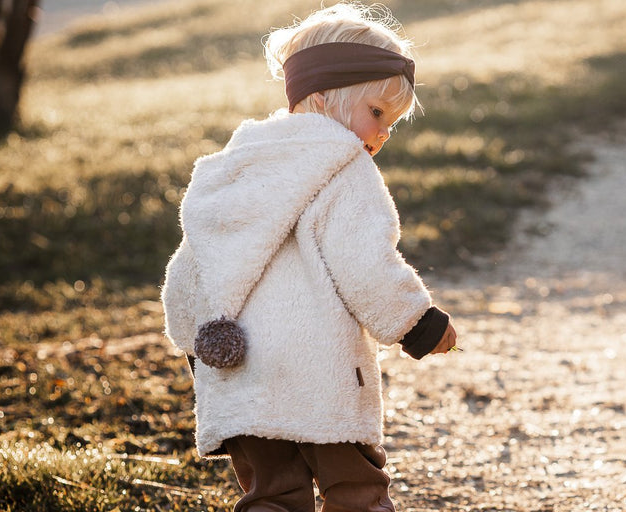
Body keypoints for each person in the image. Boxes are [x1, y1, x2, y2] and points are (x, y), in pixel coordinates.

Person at [160, 4, 457, 511]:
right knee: (355, 491)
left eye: (392, 122)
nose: (382, 133)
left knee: (271, 494)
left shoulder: (235, 165)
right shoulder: (344, 168)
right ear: (322, 99)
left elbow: (192, 265)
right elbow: (365, 263)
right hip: (322, 375)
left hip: (245, 371)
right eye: (377, 113)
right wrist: (418, 323)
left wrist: (196, 339)